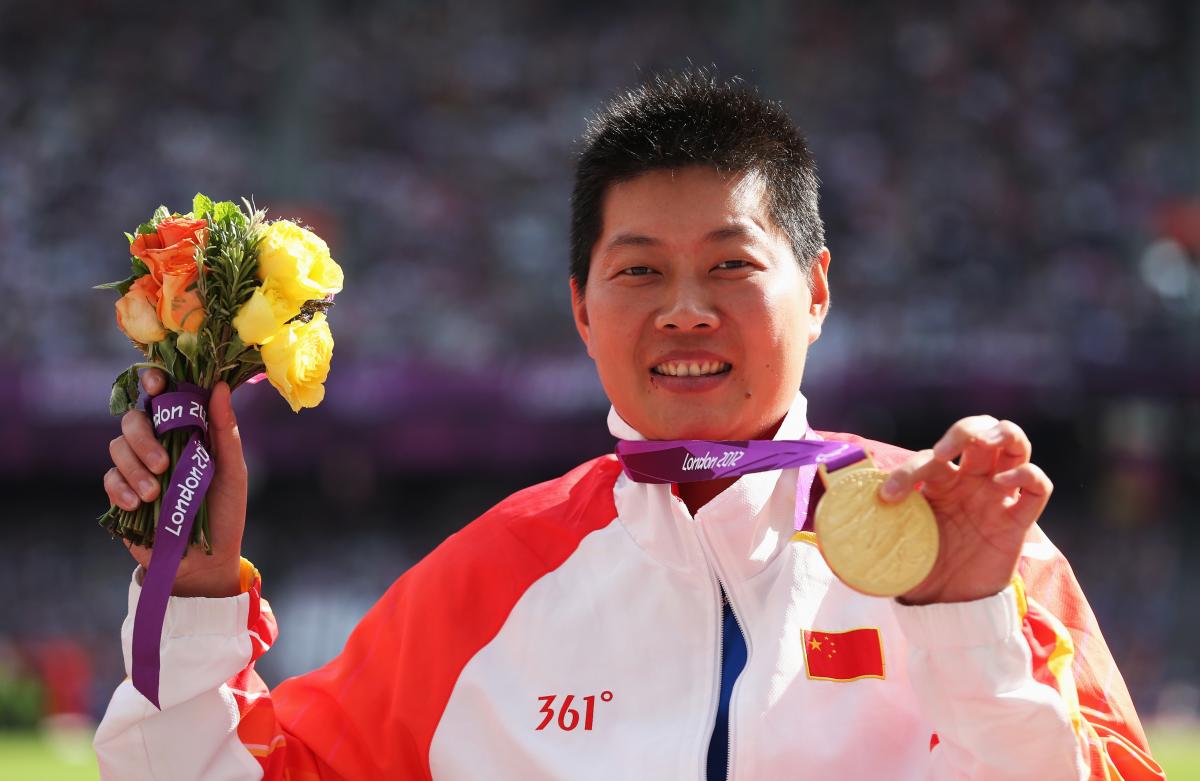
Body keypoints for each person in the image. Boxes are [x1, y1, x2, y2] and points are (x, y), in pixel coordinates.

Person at [94, 70, 1163, 780]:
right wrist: (188, 594)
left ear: (819, 289)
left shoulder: (964, 539)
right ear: (581, 308)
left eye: (733, 266)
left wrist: (968, 627)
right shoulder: (487, 584)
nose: (685, 308)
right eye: (639, 269)